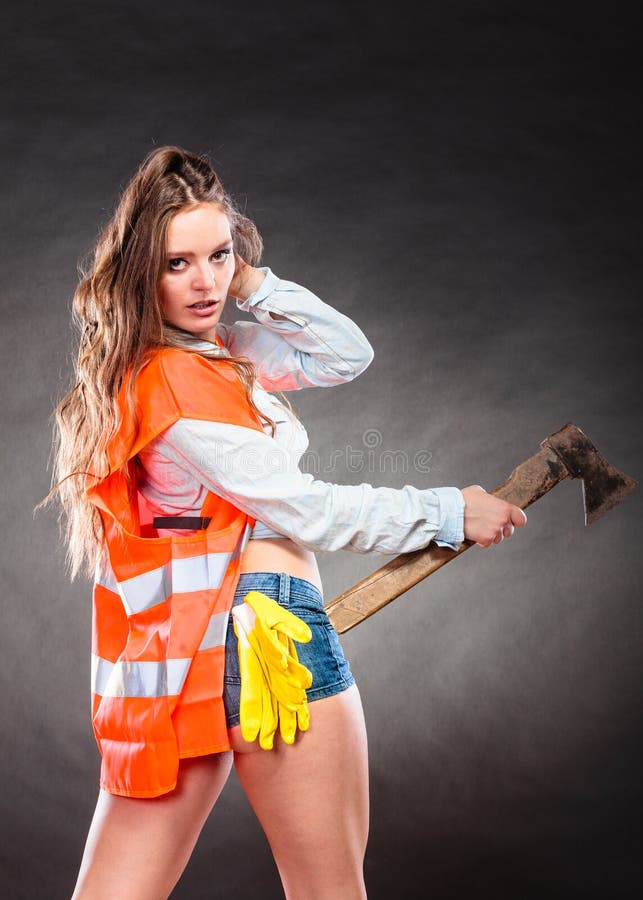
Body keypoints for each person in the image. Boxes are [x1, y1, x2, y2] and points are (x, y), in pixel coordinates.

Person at [46, 145, 527, 900]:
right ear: (141, 271)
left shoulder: (209, 355)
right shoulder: (175, 381)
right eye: (177, 264)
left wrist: (254, 283)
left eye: (218, 256)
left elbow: (344, 356)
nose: (205, 282)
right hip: (270, 634)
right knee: (329, 890)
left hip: (196, 652)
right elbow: (299, 506)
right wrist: (445, 511)